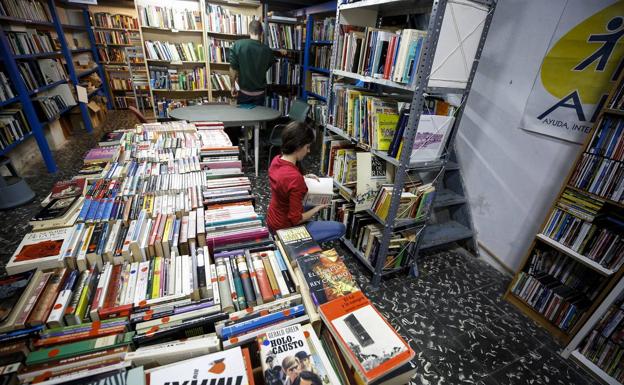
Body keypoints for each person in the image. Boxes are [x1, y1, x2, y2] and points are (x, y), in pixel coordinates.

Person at [267, 121, 346, 243]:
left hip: (273, 220)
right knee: (340, 228)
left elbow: (284, 181)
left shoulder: (276, 160)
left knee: (314, 199)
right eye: (307, 147)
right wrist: (318, 208)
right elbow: (296, 219)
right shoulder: (294, 178)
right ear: (298, 147)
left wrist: (303, 177)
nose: (308, 151)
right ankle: (296, 243)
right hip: (285, 229)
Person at [228, 20, 286, 144]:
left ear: (249, 31)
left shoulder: (238, 45)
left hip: (244, 93)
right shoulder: (267, 50)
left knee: (239, 121)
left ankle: (236, 149)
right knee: (257, 123)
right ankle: (255, 148)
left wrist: (233, 86)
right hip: (260, 95)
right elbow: (268, 64)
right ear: (262, 33)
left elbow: (233, 69)